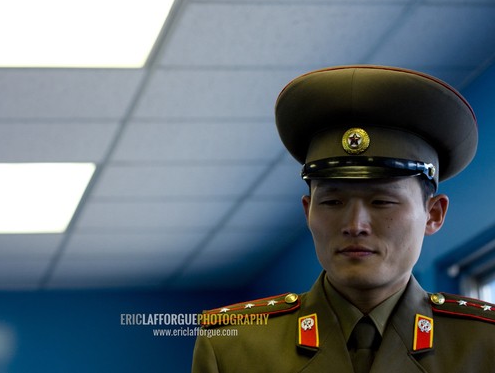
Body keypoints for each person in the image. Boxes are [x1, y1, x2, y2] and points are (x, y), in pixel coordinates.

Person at [191, 65, 495, 373]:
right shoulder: (233, 344)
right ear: (308, 211)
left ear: (433, 214)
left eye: (382, 202)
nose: (355, 225)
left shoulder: (484, 343)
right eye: (333, 201)